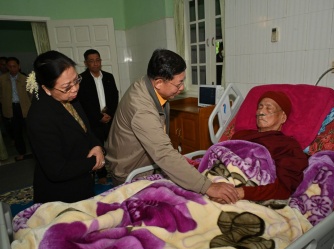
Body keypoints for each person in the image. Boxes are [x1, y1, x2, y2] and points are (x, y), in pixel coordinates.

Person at [106, 48, 239, 204]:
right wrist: (208, 186)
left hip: (144, 163)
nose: (182, 87)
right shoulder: (142, 109)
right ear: (158, 83)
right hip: (129, 170)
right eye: (179, 83)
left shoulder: (150, 87)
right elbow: (163, 153)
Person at [26, 50, 106, 203]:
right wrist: (96, 161)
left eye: (76, 80)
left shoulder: (70, 98)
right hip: (61, 195)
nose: (75, 89)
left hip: (82, 182)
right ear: (46, 89)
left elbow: (86, 130)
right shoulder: (40, 117)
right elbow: (57, 170)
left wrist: (96, 145)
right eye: (67, 86)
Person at [223, 91, 309, 202]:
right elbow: (221, 155)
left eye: (269, 108)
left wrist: (241, 192)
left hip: (247, 194)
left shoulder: (288, 145)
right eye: (260, 107)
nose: (261, 112)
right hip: (220, 184)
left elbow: (284, 188)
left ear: (283, 117)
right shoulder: (241, 135)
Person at [77, 49, 119, 184]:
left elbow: (114, 96)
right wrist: (98, 117)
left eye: (97, 60)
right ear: (86, 63)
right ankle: (101, 173)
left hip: (110, 118)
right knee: (97, 147)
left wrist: (110, 114)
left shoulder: (108, 77)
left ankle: (117, 171)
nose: (95, 63)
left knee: (114, 146)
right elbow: (82, 103)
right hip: (93, 121)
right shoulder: (81, 79)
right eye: (91, 61)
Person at [0, 57, 31, 161]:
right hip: (11, 108)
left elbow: (31, 95)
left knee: (31, 132)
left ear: (19, 66)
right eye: (10, 66)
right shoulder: (2, 79)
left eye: (14, 66)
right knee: (16, 133)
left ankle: (36, 151)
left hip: (25, 108)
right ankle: (21, 152)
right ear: (7, 67)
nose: (12, 69)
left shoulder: (25, 79)